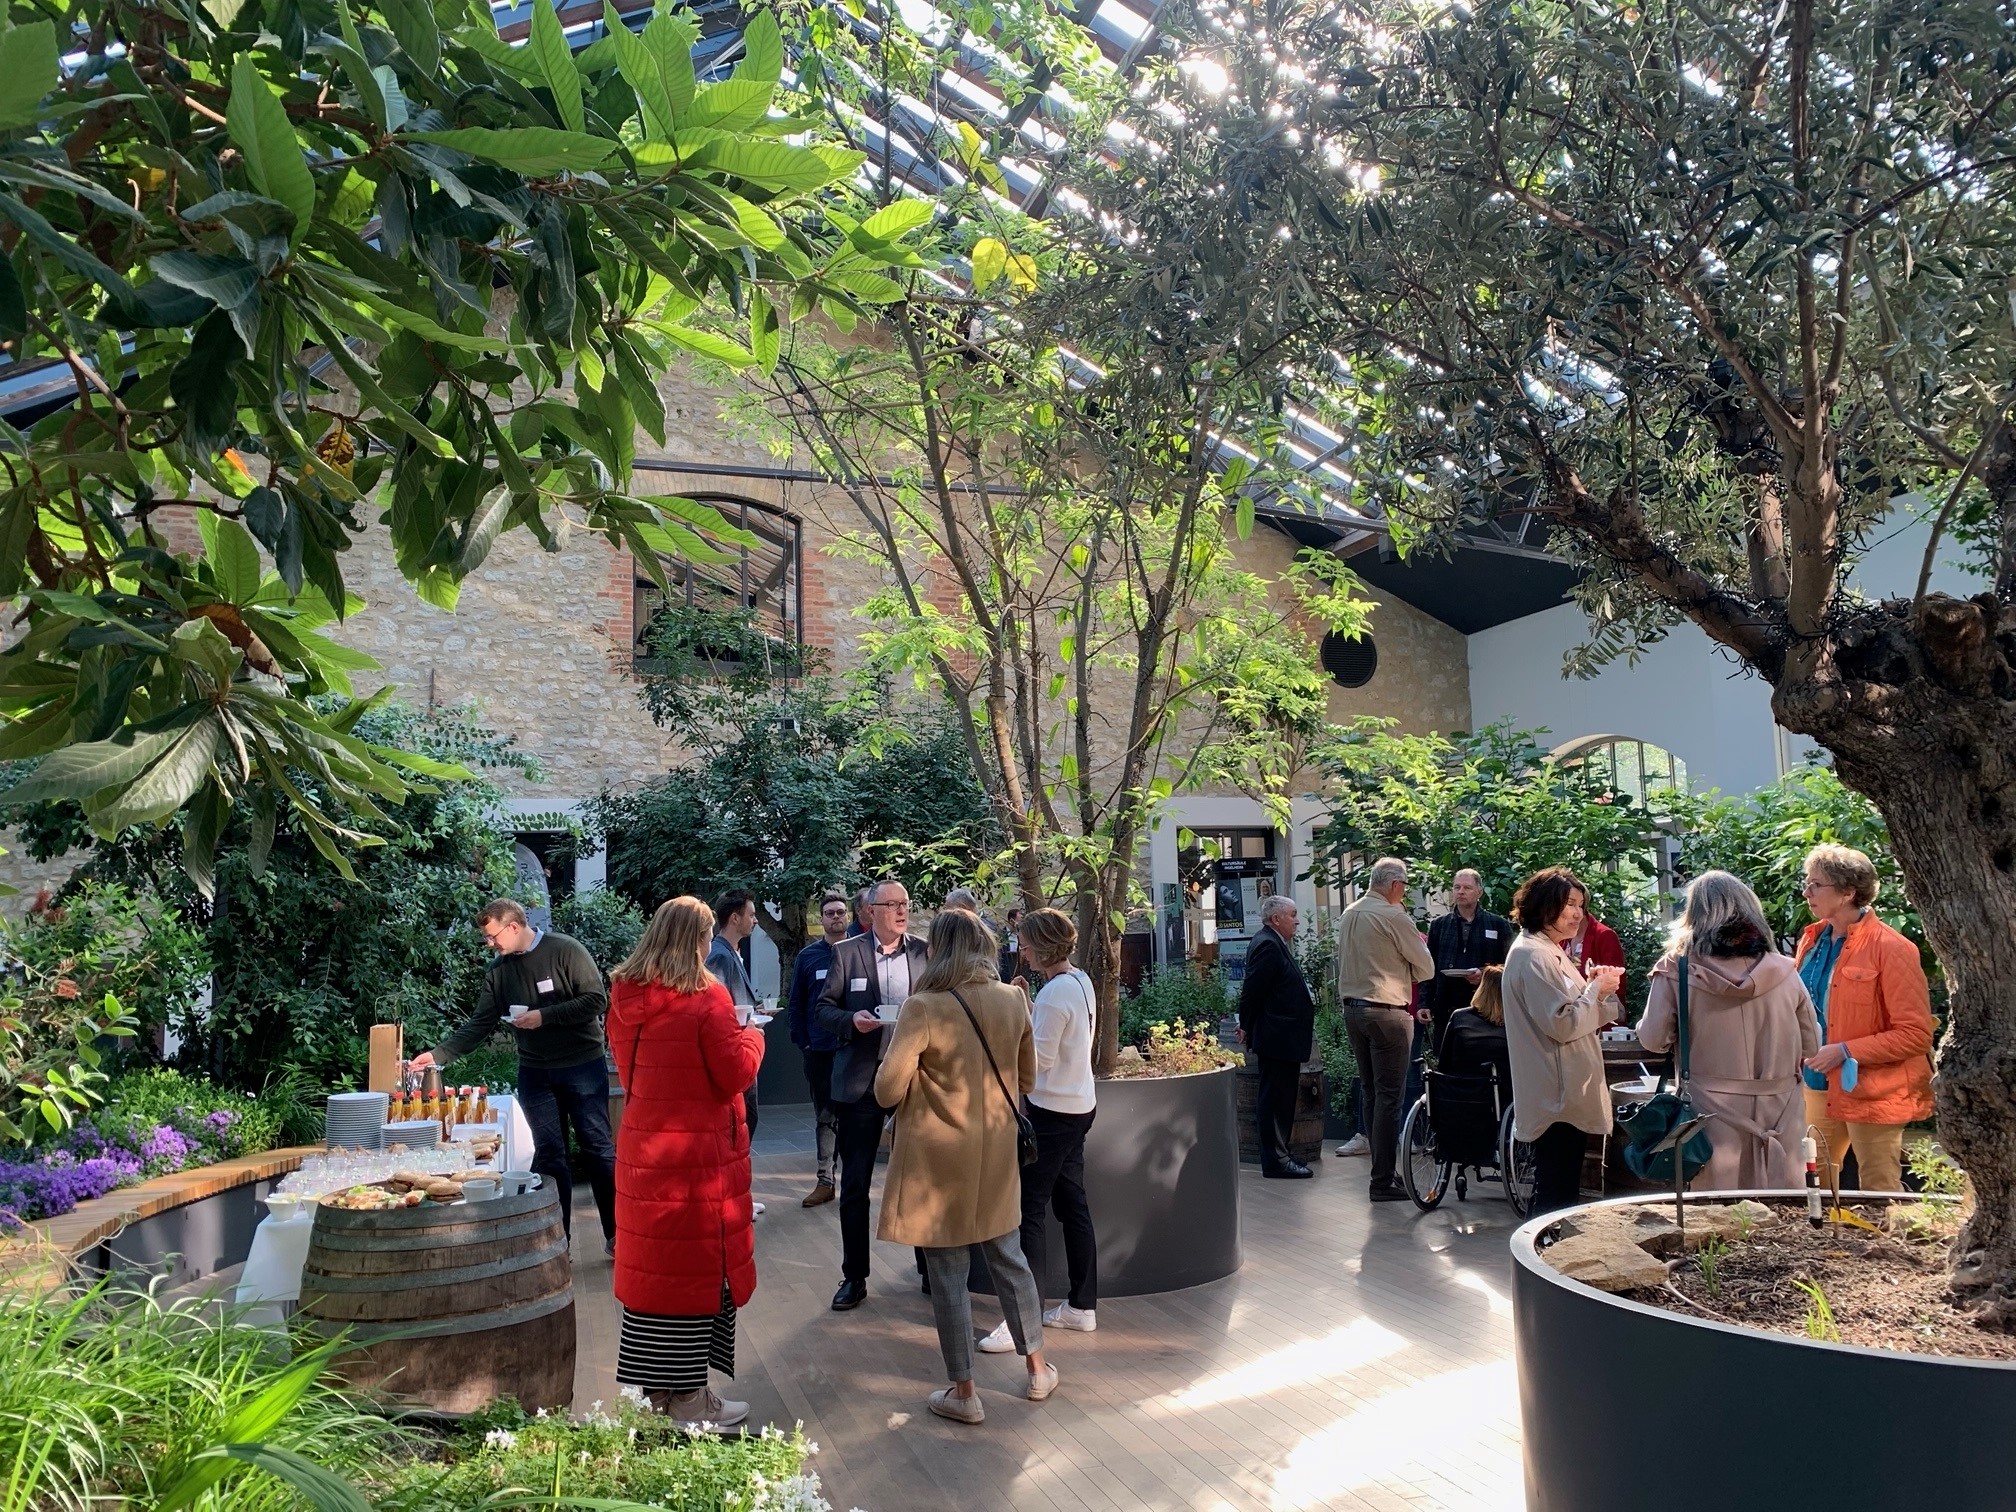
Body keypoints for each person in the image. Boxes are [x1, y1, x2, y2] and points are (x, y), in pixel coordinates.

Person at [873, 907, 1054, 1424]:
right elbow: (1026, 1079)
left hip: (935, 1162)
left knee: (949, 1274)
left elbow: (886, 1090)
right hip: (995, 1152)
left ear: (939, 950)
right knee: (1010, 1260)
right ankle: (1038, 1370)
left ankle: (965, 1392)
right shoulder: (1012, 999)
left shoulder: (922, 1006)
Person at [606, 896, 766, 1428]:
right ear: (698, 939)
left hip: (643, 1150)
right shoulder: (707, 997)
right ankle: (693, 1401)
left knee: (656, 1277)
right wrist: (754, 1037)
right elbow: (733, 1073)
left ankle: (658, 1398)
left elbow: (632, 1073)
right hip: (697, 1158)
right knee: (696, 1277)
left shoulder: (625, 995)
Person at [412, 899, 616, 1252]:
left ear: (514, 926)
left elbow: (596, 1000)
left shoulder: (565, 950)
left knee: (597, 1149)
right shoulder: (499, 971)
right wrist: (437, 1055)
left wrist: (544, 1016)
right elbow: (480, 1023)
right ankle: (558, 1240)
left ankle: (617, 1235)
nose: (489, 943)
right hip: (535, 1071)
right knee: (549, 1156)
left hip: (582, 1066)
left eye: (492, 936)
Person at [1638, 872, 1820, 1190]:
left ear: (1694, 915)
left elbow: (1653, 1039)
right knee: (1781, 1211)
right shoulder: (1785, 971)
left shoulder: (1676, 971)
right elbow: (1812, 1045)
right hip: (1781, 1112)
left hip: (1708, 1115)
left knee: (1715, 1212)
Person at [980, 906, 1098, 1353]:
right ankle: (1081, 1307)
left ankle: (1023, 1320)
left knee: (1028, 1212)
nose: (1022, 952)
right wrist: (1029, 1006)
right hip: (1079, 1107)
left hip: (1052, 1115)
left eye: (1026, 945)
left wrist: (1004, 1038)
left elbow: (1040, 1060)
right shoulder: (1079, 982)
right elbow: (1061, 1041)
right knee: (1073, 1207)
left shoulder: (1055, 994)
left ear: (1044, 946)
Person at [1793, 844, 1935, 1193]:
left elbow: (1916, 1034)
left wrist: (1844, 1050)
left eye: (1815, 885)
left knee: (1878, 1189)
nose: (1806, 892)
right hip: (1816, 1083)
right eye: (1806, 883)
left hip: (1874, 1090)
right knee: (1814, 1186)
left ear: (1847, 892)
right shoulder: (1810, 940)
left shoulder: (1893, 947)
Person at [815, 876, 929, 1310]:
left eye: (905, 903)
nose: (901, 911)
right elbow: (822, 1010)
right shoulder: (846, 952)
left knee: (920, 1178)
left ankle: (929, 1269)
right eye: (892, 904)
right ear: (871, 911)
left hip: (912, 1080)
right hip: (861, 1081)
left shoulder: (923, 952)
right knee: (855, 1183)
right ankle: (854, 1277)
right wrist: (851, 1021)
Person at [1502, 868, 1624, 1215]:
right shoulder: (1533, 954)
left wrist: (1597, 989)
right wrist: (1595, 990)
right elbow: (1563, 1022)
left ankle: (1546, 1245)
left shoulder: (1547, 950)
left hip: (1563, 1092)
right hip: (1556, 1095)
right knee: (1555, 1196)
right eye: (1569, 904)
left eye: (1581, 905)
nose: (1577, 913)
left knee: (1560, 1189)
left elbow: (1578, 1011)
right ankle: (1542, 1249)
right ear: (1544, 905)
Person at [1337, 858, 1435, 1201]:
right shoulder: (1393, 916)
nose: (1404, 892)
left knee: (1371, 1094)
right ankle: (1381, 1181)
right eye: (1404, 886)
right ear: (1395, 885)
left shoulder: (1350, 912)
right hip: (1386, 1012)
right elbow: (1426, 968)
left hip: (1353, 1011)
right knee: (1389, 1098)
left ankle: (1382, 1176)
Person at [1238, 894, 1316, 1179]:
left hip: (1283, 1037)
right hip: (1277, 1038)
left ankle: (1281, 1154)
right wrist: (1245, 1024)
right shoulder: (1267, 945)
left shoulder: (1273, 942)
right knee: (1275, 1100)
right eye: (1292, 915)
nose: (1297, 921)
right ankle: (1276, 1161)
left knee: (1282, 1098)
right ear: (1276, 919)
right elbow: (1253, 990)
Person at [789, 891, 852, 1208]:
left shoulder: (861, 953)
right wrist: (804, 1043)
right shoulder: (807, 958)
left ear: (848, 916)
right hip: (819, 1050)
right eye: (830, 913)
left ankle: (853, 1183)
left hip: (853, 1049)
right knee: (825, 1117)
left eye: (840, 912)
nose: (836, 917)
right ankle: (825, 1181)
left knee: (854, 1117)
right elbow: (796, 1004)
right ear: (822, 919)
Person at [707, 890, 765, 1217]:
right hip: (737, 1051)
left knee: (746, 1123)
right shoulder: (720, 956)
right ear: (734, 918)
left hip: (744, 1044)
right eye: (751, 914)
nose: (755, 920)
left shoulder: (730, 953)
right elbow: (717, 1009)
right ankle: (731, 1198)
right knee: (741, 1124)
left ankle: (738, 1195)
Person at [1425, 870, 1512, 1044]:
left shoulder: (1498, 925)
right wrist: (1424, 1003)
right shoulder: (1439, 925)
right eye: (1457, 887)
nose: (1461, 892)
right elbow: (1428, 968)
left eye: (1467, 887)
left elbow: (1511, 965)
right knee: (1447, 1053)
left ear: (1479, 892)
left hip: (1486, 1006)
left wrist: (1484, 973)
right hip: (1446, 1004)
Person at [1438, 965, 1513, 1091]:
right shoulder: (1514, 1022)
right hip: (1503, 1093)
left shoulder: (1459, 1017)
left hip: (1459, 1092)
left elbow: (1444, 1063)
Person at [999, 907, 1024, 983]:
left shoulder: (1023, 936)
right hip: (1005, 976)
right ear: (1011, 921)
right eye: (1019, 921)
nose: (1021, 924)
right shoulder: (1001, 936)